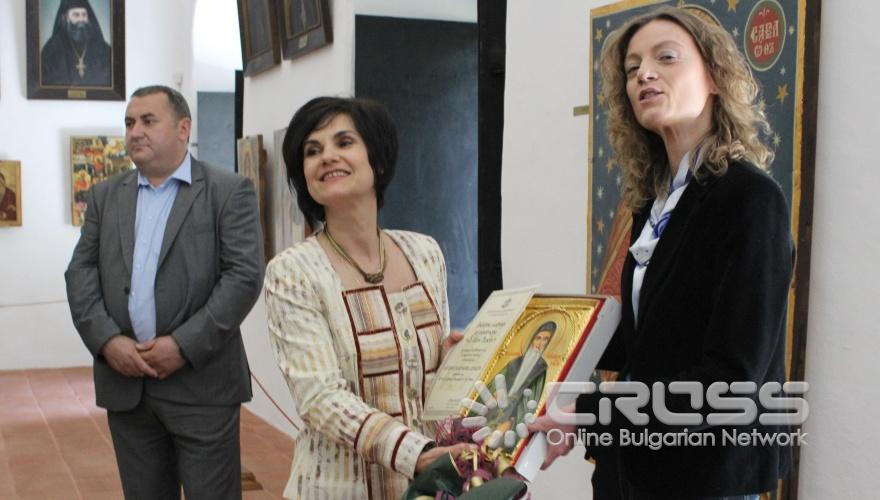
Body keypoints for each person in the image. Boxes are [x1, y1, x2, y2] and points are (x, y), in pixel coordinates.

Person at [531, 7, 793, 499]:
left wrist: (589, 411)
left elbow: (730, 380)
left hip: (704, 477)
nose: (644, 75)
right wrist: (522, 347)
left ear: (714, 77)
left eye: (665, 58)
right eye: (632, 68)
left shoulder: (750, 200)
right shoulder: (653, 203)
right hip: (635, 468)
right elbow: (645, 341)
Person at [265, 97, 472, 499]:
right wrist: (416, 453)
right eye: (312, 151)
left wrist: (451, 361)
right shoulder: (292, 272)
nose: (327, 156)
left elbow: (421, 378)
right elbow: (320, 398)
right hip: (336, 489)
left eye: (344, 142)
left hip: (427, 488)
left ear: (377, 161)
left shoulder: (424, 253)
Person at [65, 85, 264, 499]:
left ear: (183, 128)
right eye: (129, 123)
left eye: (148, 121)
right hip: (127, 386)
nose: (135, 131)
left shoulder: (227, 191)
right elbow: (80, 272)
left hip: (202, 385)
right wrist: (107, 341)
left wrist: (183, 346)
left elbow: (243, 276)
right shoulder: (105, 196)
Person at [484, 321, 556, 433]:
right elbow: (496, 381)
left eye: (546, 339)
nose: (540, 343)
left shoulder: (542, 368)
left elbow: (534, 397)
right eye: (538, 338)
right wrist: (495, 392)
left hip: (515, 412)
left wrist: (514, 417)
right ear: (532, 339)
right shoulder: (515, 362)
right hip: (497, 405)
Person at [41, 0, 112, 86]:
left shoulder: (101, 47)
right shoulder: (52, 47)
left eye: (84, 15)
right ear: (66, 18)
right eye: (76, 15)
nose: (81, 19)